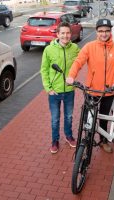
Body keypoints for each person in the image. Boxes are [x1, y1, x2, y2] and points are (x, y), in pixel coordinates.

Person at [66, 19, 114, 153]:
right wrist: (71, 76)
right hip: (92, 90)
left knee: (104, 118)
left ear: (110, 31)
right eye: (101, 31)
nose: (104, 34)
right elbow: (78, 62)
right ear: (97, 32)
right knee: (89, 118)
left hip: (109, 91)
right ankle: (87, 140)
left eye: (106, 31)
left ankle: (103, 141)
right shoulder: (89, 47)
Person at [40, 22, 80, 154]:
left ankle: (68, 136)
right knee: (55, 118)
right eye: (62, 33)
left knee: (68, 116)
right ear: (57, 34)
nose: (65, 35)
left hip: (69, 91)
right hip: (54, 92)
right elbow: (44, 70)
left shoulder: (74, 48)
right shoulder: (49, 49)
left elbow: (83, 60)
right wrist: (48, 88)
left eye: (68, 33)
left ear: (71, 34)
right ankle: (55, 140)